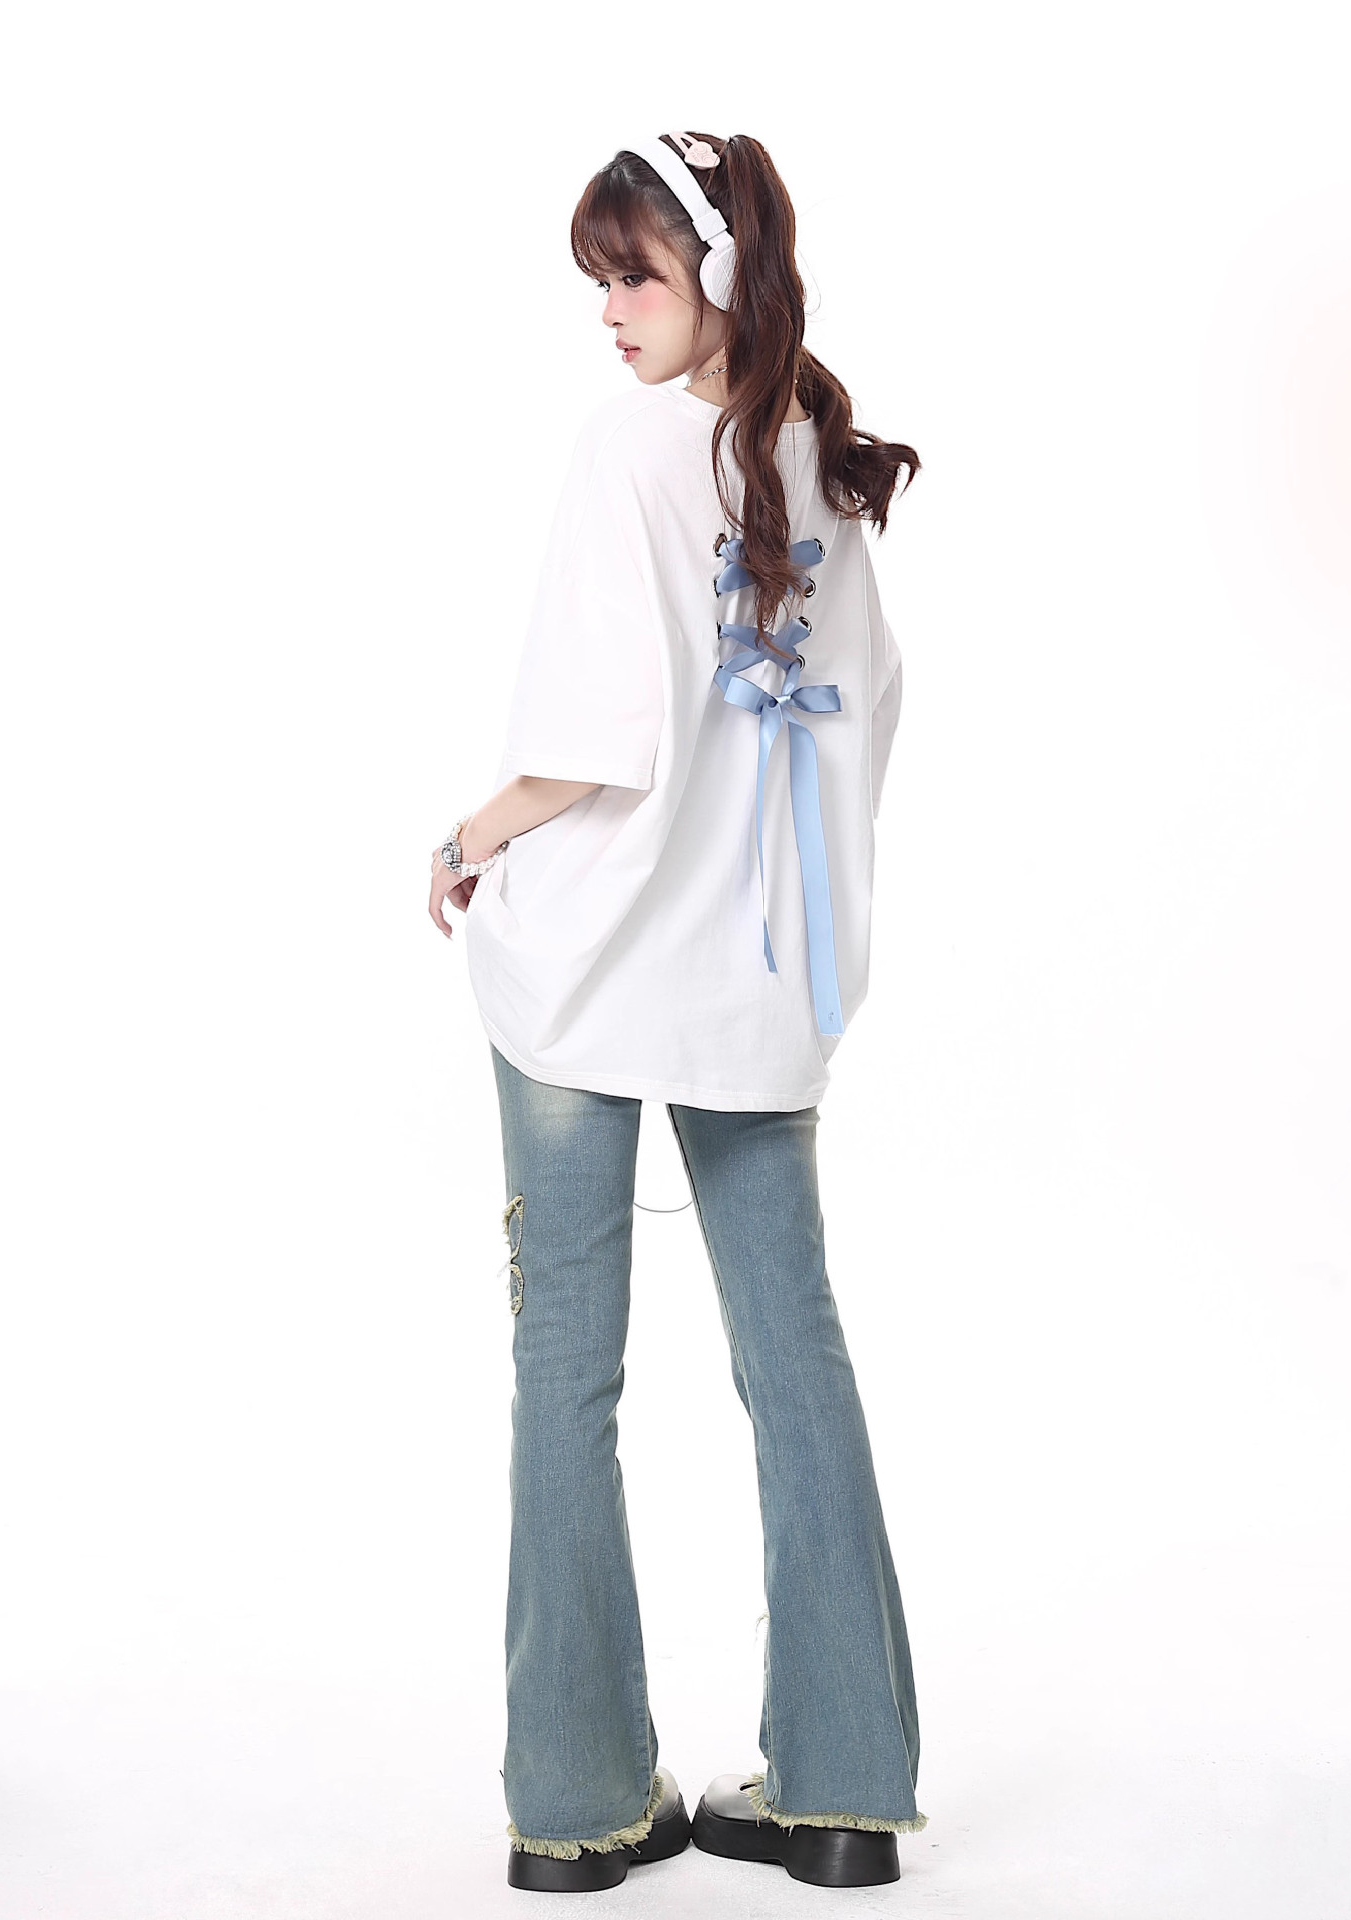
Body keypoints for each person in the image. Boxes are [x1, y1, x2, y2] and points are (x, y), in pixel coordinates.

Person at [427, 130, 923, 1895]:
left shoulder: (631, 451)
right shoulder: (816, 455)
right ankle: (845, 1791)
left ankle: (574, 1807)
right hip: (749, 986)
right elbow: (870, 719)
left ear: (720, 272)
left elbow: (592, 739)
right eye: (601, 281)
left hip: (583, 976)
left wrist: (468, 837)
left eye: (635, 274)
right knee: (795, 1358)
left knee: (565, 1368)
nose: (611, 312)